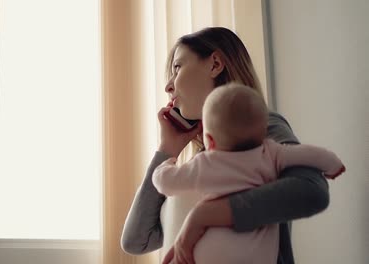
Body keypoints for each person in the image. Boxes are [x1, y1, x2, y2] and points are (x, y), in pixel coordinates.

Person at [121, 27, 332, 264]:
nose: (168, 86)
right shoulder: (203, 161)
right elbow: (136, 240)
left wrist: (207, 215)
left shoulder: (263, 127)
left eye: (177, 67)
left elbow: (311, 189)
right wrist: (168, 149)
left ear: (215, 64)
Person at [152, 83, 345, 264]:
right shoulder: (272, 153)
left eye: (178, 66)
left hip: (213, 253)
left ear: (210, 141)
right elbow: (311, 154)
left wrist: (166, 163)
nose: (171, 83)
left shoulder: (204, 164)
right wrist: (333, 165)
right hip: (260, 254)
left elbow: (165, 182)